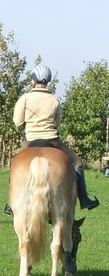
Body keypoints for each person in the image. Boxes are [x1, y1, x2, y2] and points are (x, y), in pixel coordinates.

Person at [7, 64, 99, 213]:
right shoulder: (54, 99)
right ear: (48, 80)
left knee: (15, 166)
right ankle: (84, 198)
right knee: (77, 163)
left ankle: (11, 203)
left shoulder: (24, 98)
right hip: (52, 140)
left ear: (33, 80)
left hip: (30, 140)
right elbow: (57, 122)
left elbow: (17, 121)